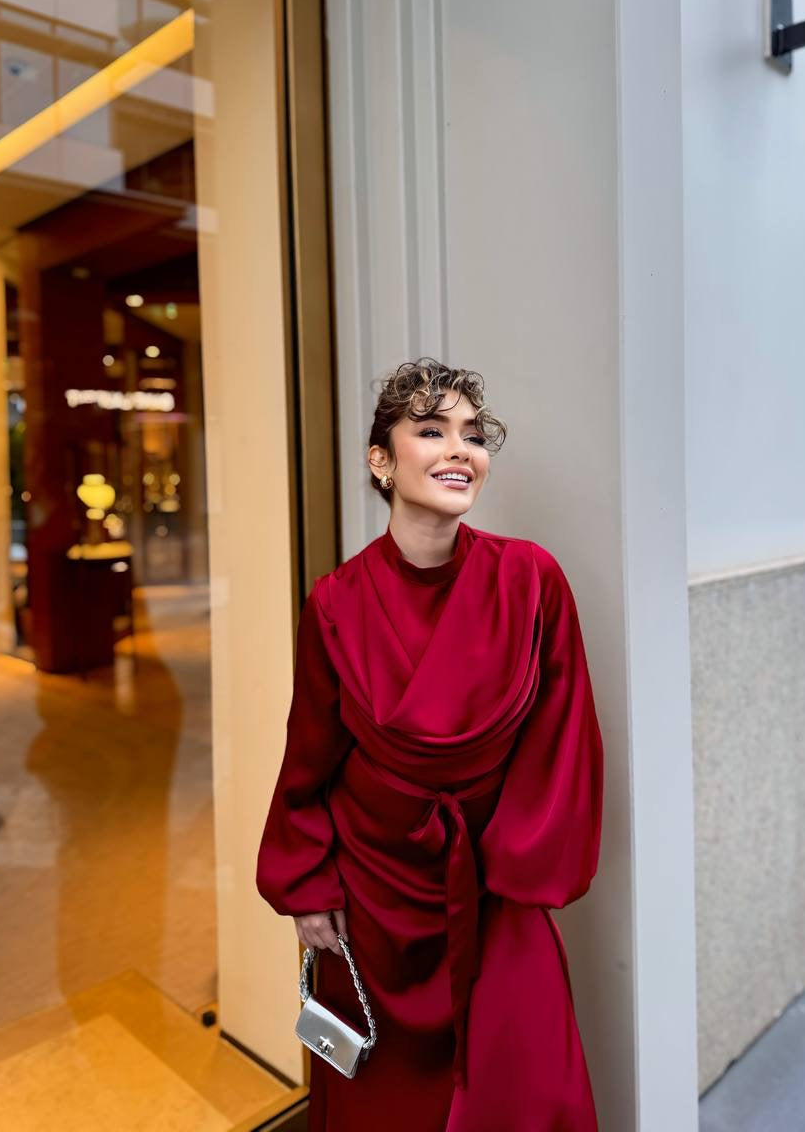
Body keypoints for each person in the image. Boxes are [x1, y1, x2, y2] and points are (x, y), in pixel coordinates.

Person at [256, 357, 604, 1131]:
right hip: (375, 892)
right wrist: (306, 885)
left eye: (473, 435)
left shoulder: (531, 579)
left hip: (494, 878)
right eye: (431, 430)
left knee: (524, 1084)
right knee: (388, 1105)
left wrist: (516, 863)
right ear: (380, 461)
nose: (460, 449)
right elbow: (309, 753)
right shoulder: (335, 602)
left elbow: (562, 734)